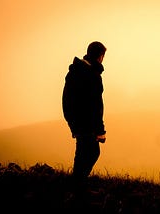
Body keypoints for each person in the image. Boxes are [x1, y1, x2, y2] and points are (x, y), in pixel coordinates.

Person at [62, 41, 107, 198]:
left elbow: (65, 100)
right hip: (87, 123)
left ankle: (77, 188)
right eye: (103, 56)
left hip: (77, 121)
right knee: (92, 152)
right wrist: (100, 131)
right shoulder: (92, 76)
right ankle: (78, 189)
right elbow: (96, 106)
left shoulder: (75, 72)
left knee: (82, 152)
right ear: (100, 56)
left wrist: (71, 122)